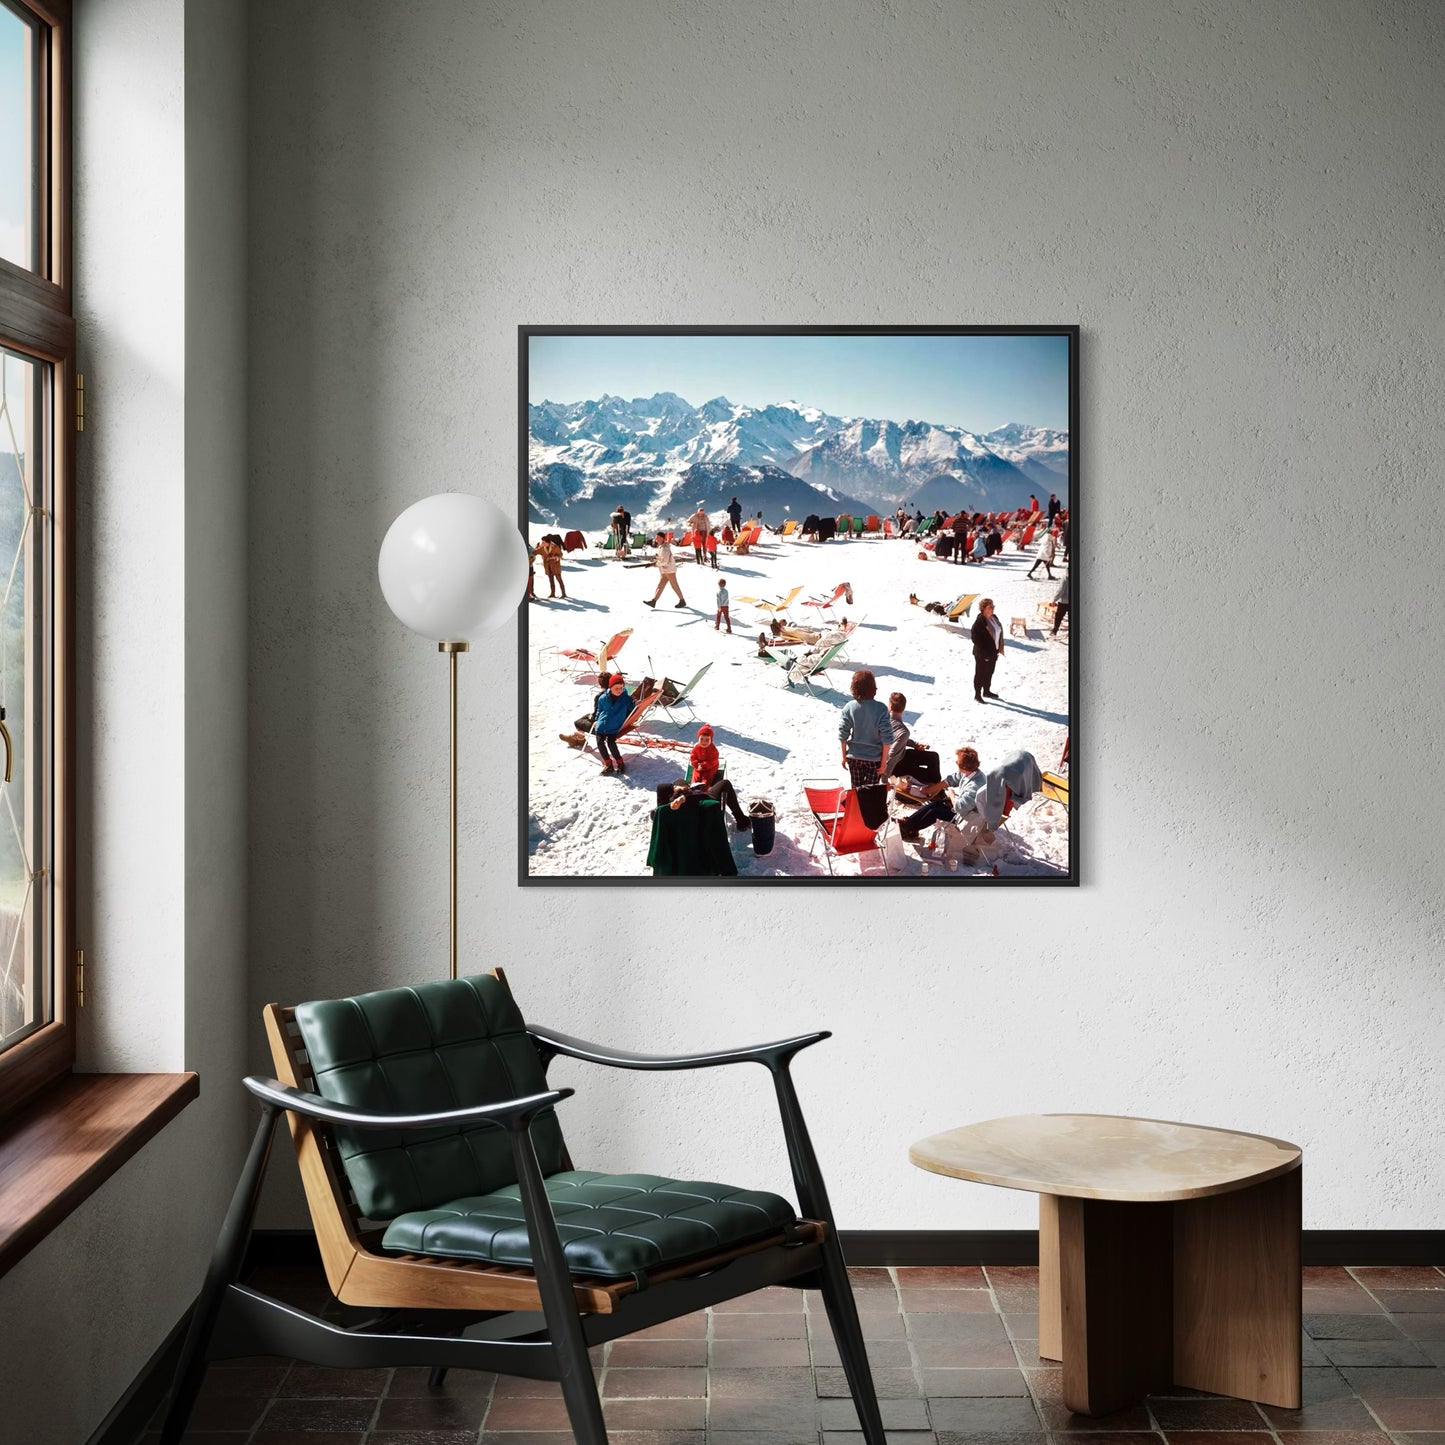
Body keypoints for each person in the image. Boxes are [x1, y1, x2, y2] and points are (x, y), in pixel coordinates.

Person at [897, 746, 986, 842]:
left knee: (934, 812)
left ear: (964, 766)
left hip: (968, 816)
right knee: (936, 803)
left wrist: (951, 795)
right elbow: (952, 779)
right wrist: (929, 790)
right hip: (966, 807)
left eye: (958, 763)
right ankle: (908, 823)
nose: (956, 764)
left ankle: (908, 829)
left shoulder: (974, 785)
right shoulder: (972, 772)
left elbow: (960, 808)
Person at [673, 723, 751, 829]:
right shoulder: (696, 748)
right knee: (696, 777)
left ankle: (700, 788)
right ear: (698, 738)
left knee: (705, 779)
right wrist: (697, 764)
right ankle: (696, 788)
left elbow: (714, 761)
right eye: (702, 739)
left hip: (708, 770)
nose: (704, 742)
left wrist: (703, 765)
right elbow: (693, 757)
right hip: (699, 774)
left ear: (711, 740)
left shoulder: (713, 749)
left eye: (707, 740)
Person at [837, 668, 891, 788]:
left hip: (854, 757)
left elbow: (843, 734)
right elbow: (887, 738)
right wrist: (883, 763)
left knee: (856, 791)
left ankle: (856, 807)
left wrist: (843, 756)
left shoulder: (849, 707)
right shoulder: (881, 709)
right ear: (873, 687)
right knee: (871, 794)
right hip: (874, 759)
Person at [883, 692, 942, 787]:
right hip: (895, 767)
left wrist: (914, 745)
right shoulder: (903, 731)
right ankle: (936, 787)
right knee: (930, 769)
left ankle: (935, 784)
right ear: (903, 708)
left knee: (933, 757)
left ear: (889, 706)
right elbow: (892, 755)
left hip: (897, 758)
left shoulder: (883, 721)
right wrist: (884, 778)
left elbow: (897, 738)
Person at [591, 674, 633, 775]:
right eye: (616, 688)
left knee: (611, 743)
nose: (619, 690)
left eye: (621, 688)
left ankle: (620, 762)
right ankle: (608, 764)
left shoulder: (626, 699)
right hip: (602, 724)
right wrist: (596, 720)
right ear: (610, 687)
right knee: (600, 742)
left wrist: (636, 704)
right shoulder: (602, 698)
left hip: (614, 726)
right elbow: (599, 710)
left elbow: (633, 708)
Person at [970, 598, 1004, 702]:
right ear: (984, 609)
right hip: (982, 654)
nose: (993, 609)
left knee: (989, 672)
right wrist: (984, 653)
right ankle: (977, 694)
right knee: (980, 673)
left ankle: (986, 691)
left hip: (993, 652)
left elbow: (998, 631)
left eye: (993, 606)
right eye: (990, 607)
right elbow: (975, 639)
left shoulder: (994, 617)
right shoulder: (980, 621)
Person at [643, 532, 686, 608]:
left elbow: (665, 561)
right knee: (660, 585)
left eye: (658, 537)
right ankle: (654, 601)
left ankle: (682, 600)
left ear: (662, 538)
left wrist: (655, 564)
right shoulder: (661, 547)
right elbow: (660, 558)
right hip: (665, 570)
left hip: (669, 570)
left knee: (674, 586)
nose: (656, 539)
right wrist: (654, 561)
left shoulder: (665, 548)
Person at [1052, 573, 1069, 637]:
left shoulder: (1065, 578)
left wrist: (1054, 600)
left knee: (1059, 616)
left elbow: (1061, 590)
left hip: (1064, 602)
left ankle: (1055, 630)